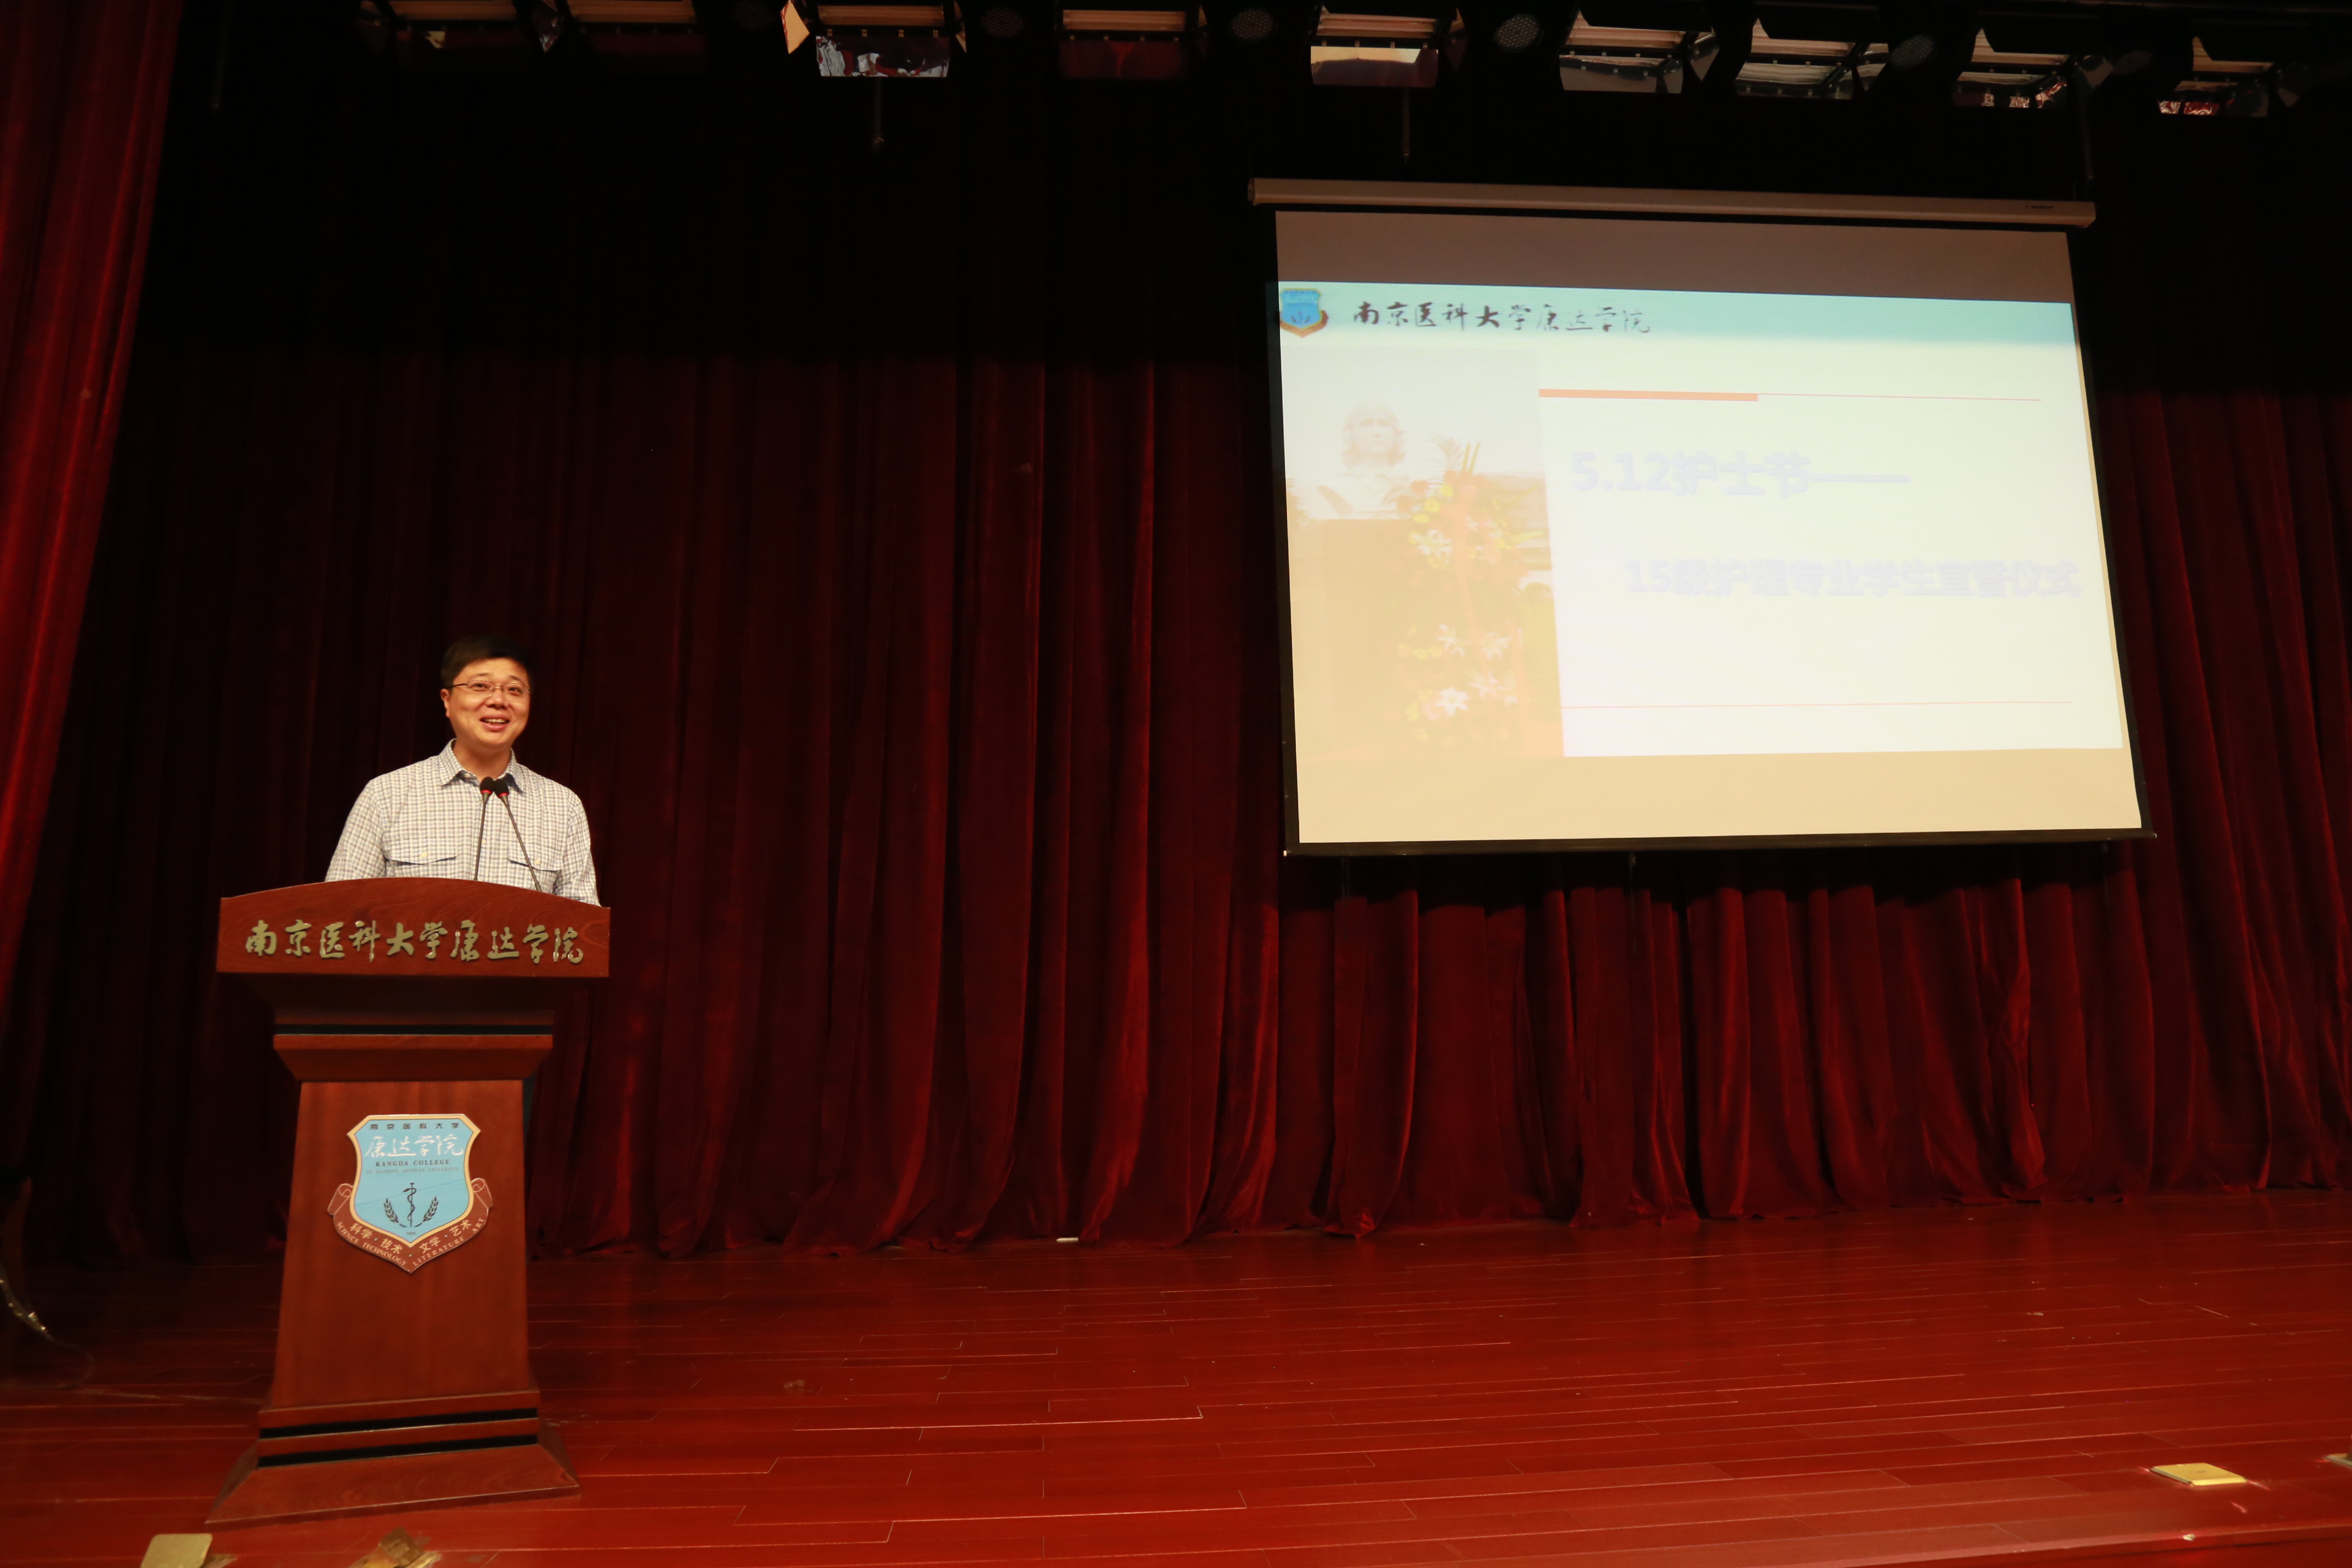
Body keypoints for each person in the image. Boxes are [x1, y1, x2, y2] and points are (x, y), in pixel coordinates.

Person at [325, 634, 598, 903]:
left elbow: (582, 924)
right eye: (480, 686)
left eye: (514, 690)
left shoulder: (562, 806)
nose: (498, 700)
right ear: (447, 700)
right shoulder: (387, 795)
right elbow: (339, 910)